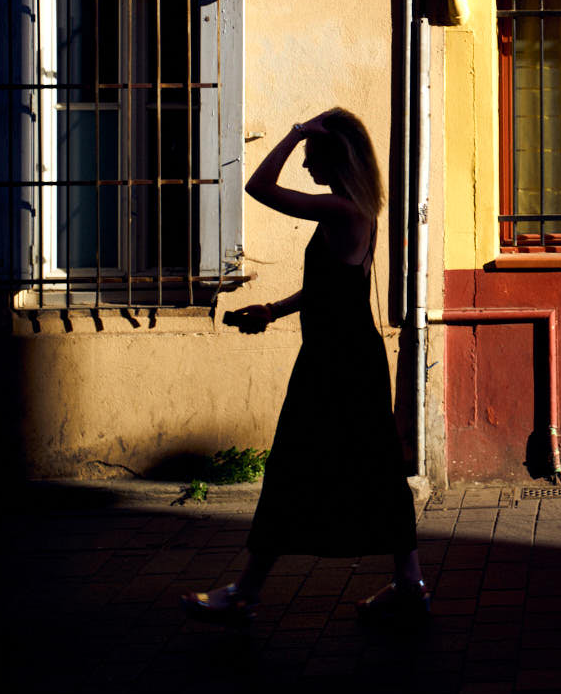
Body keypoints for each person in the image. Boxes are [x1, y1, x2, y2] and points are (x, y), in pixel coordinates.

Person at [181, 108, 426, 627]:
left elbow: (258, 186)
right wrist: (272, 310)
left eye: (314, 155)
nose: (306, 164)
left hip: (336, 364)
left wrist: (294, 132)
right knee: (373, 470)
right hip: (347, 357)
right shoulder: (359, 211)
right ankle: (408, 584)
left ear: (335, 156)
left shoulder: (343, 210)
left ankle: (246, 593)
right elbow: (330, 289)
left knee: (296, 467)